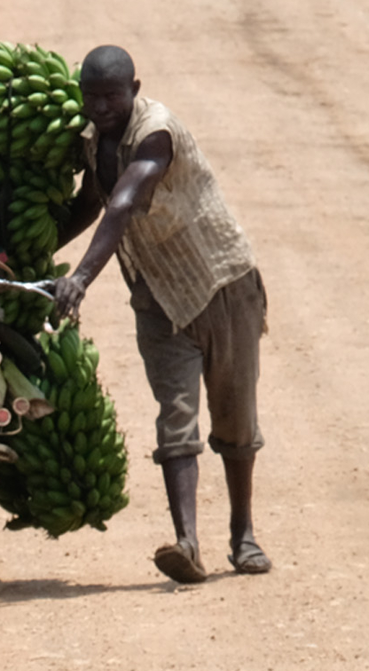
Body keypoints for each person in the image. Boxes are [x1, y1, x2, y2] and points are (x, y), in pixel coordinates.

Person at [48, 45, 270, 584]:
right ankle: (187, 542)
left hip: (219, 283)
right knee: (175, 414)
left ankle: (243, 533)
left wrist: (80, 278)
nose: (101, 107)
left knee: (235, 417)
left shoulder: (156, 133)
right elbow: (92, 203)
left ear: (134, 89)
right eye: (91, 97)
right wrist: (27, 249)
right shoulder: (90, 140)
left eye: (111, 96)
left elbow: (123, 202)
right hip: (157, 295)